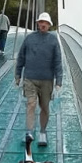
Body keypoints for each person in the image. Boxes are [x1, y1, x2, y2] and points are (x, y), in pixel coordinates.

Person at [15, 12, 62, 147]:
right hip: (30, 78)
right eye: (41, 22)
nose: (43, 24)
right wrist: (18, 75)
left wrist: (59, 81)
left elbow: (58, 61)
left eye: (46, 23)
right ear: (37, 23)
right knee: (31, 104)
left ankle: (42, 131)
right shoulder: (29, 39)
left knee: (45, 107)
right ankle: (29, 131)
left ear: (49, 25)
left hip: (47, 80)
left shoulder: (53, 41)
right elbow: (21, 58)